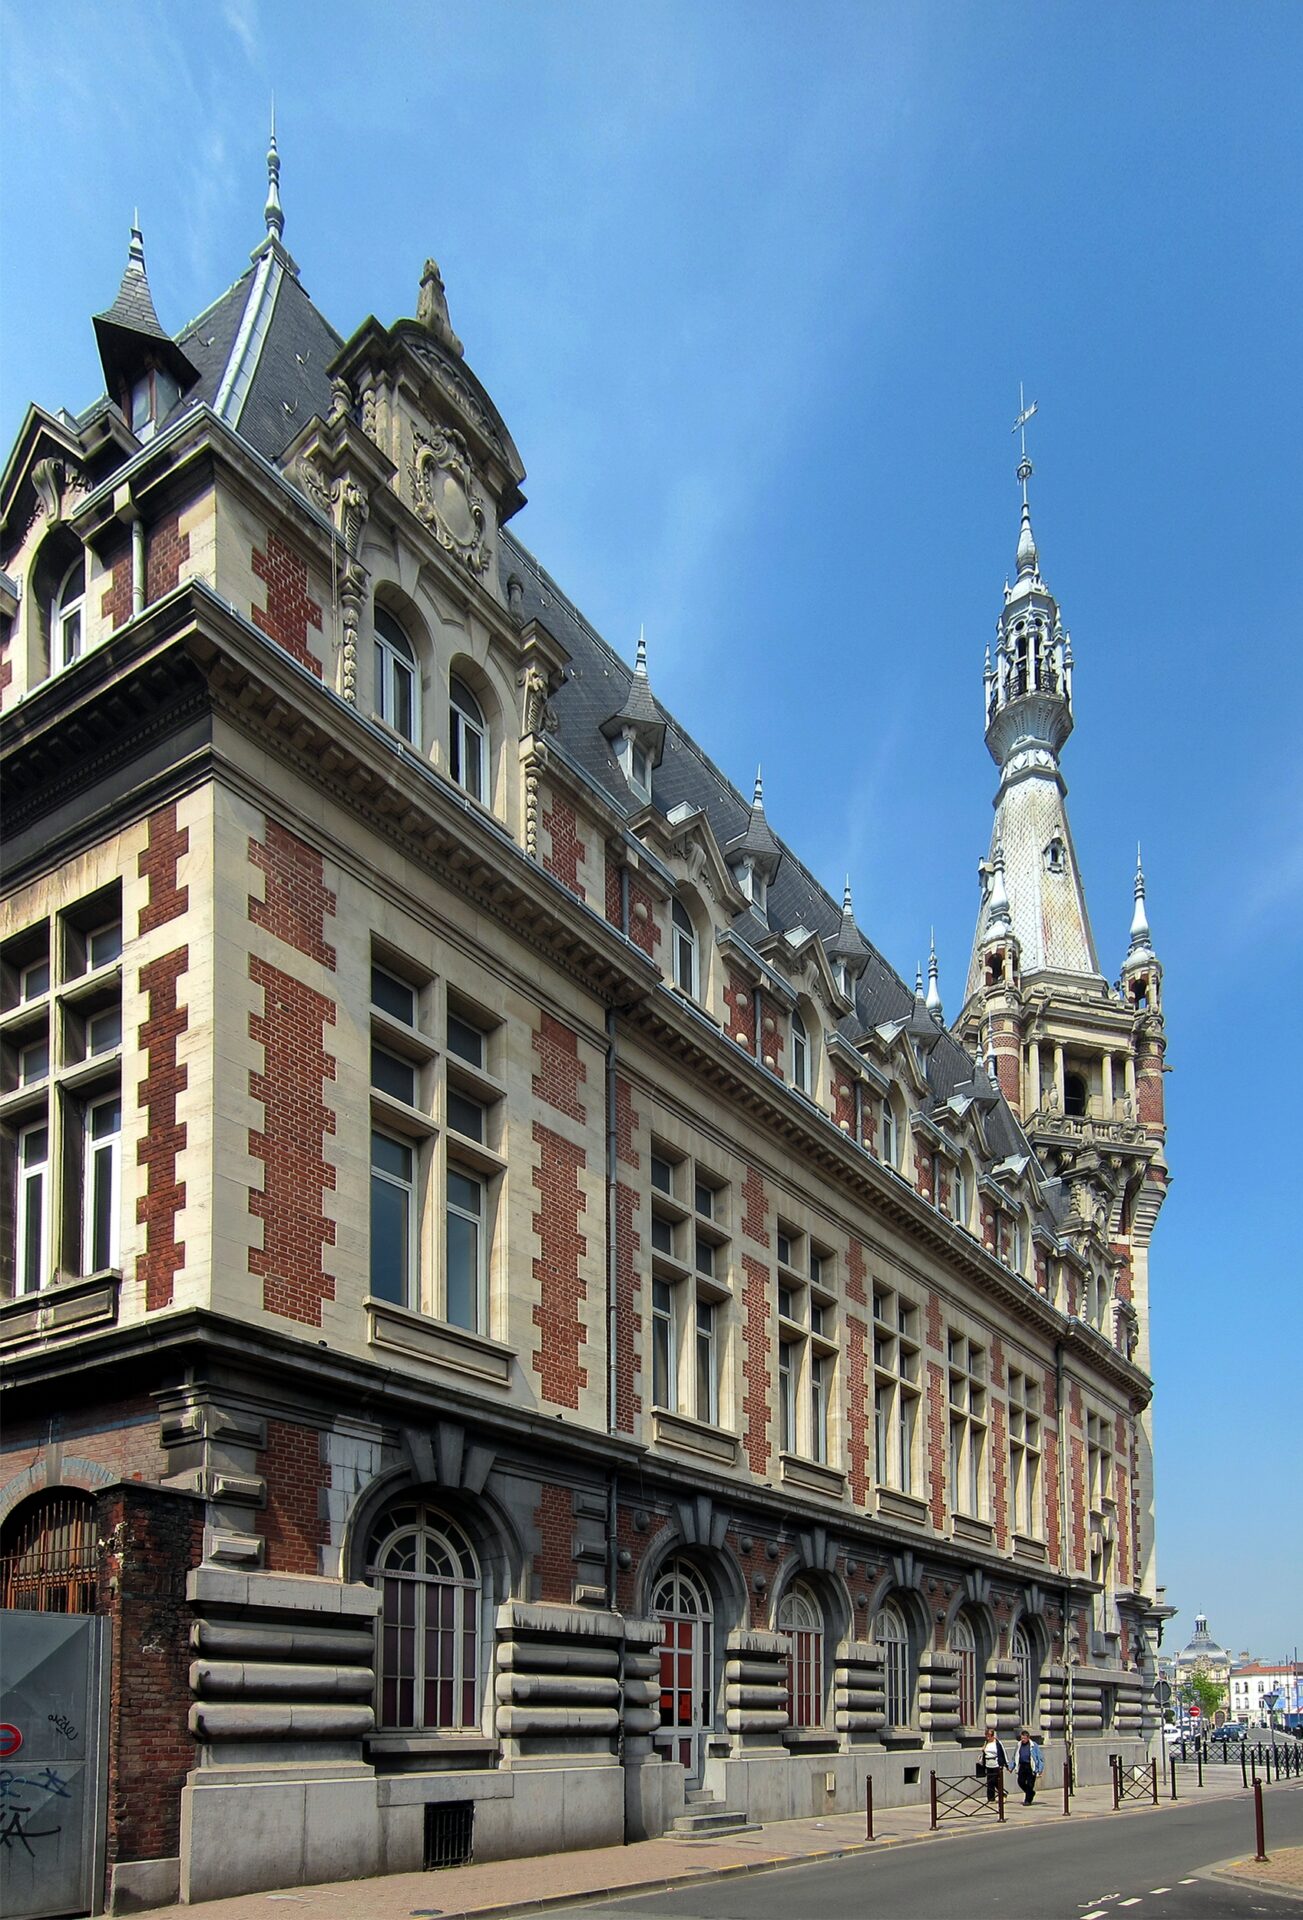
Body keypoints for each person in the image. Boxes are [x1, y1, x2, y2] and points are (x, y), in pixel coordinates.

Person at [982, 1724, 1011, 1802]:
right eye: (986, 1736)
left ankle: (1003, 1793)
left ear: (992, 1736)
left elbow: (1003, 1753)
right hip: (988, 1764)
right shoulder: (986, 1743)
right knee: (989, 1782)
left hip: (996, 1764)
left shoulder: (997, 1743)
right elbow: (984, 1753)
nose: (987, 1737)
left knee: (995, 1781)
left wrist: (1006, 1764)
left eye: (989, 1736)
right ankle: (991, 1798)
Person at [1015, 1726, 1044, 1804]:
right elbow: (1015, 1756)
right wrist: (1011, 1766)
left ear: (1028, 1738)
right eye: (1022, 1738)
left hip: (1031, 1766)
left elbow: (1040, 1757)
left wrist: (1040, 1769)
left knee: (1030, 1784)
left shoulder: (1034, 1745)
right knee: (1020, 1781)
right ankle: (1031, 1793)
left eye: (1024, 1738)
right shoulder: (1019, 1745)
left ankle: (1027, 1800)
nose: (1023, 1740)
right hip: (1022, 1766)